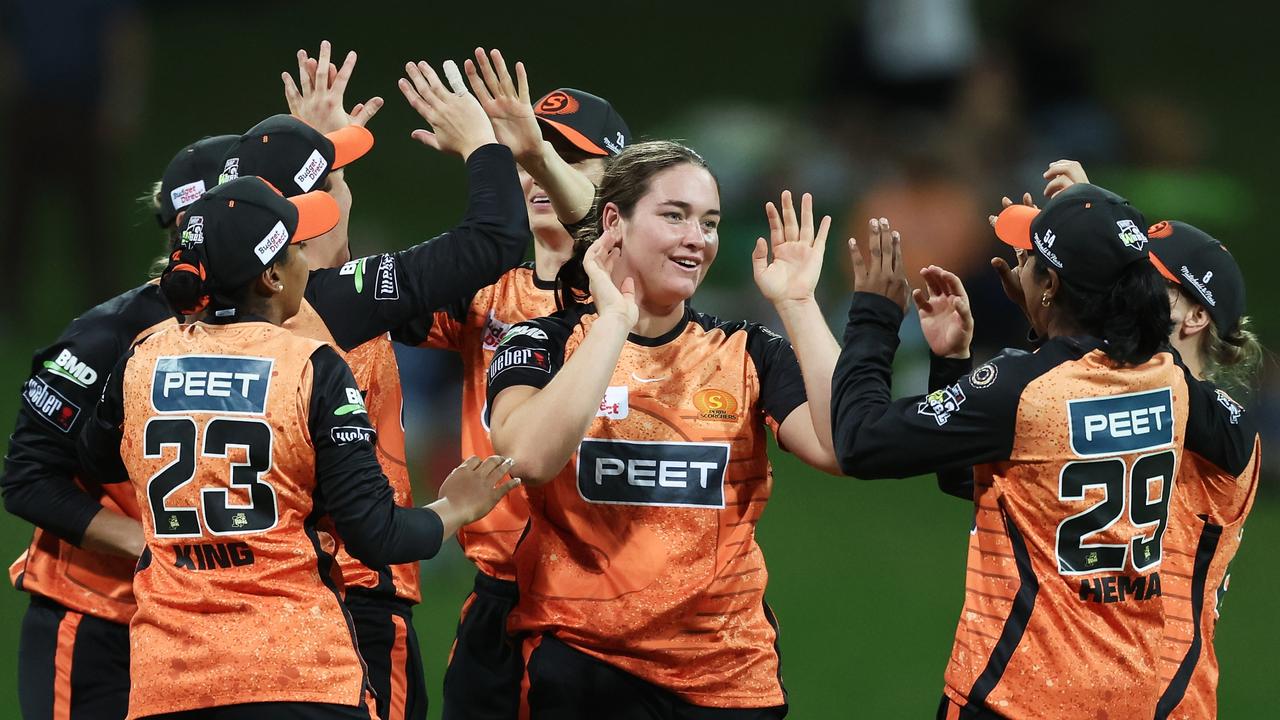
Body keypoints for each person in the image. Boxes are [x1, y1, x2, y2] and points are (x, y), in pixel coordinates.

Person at [76, 175, 521, 720]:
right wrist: (459, 505)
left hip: (168, 679)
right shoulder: (311, 366)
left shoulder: (143, 355)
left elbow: (96, 458)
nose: (309, 265)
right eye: (297, 251)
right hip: (300, 675)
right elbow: (376, 534)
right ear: (271, 276)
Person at [828, 183, 1255, 719]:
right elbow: (994, 476)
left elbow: (861, 441)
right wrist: (1028, 333)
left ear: (1052, 283)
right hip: (1135, 695)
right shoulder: (1172, 387)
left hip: (1015, 697)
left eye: (1029, 259)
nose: (1017, 264)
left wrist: (872, 314)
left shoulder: (1025, 386)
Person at [485, 139, 842, 718]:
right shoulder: (540, 342)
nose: (695, 238)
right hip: (585, 671)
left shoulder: (747, 351)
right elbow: (529, 456)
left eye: (709, 222)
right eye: (673, 215)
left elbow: (838, 446)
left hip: (728, 677)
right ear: (613, 222)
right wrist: (614, 323)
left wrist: (799, 303)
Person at [231, 46, 530, 720]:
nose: (348, 186)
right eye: (334, 178)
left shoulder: (186, 317)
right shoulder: (331, 303)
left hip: (239, 602)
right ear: (310, 215)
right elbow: (493, 239)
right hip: (352, 592)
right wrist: (483, 144)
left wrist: (309, 144)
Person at [391, 47, 632, 719]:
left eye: (562, 156)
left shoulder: (641, 297)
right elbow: (355, 296)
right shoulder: (484, 289)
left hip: (613, 607)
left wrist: (515, 151)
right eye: (524, 155)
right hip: (498, 598)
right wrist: (321, 162)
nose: (534, 169)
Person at [1, 131, 235, 720]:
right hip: (97, 623)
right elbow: (28, 478)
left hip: (208, 631)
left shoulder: (276, 337)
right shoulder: (105, 336)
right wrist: (150, 548)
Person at [1040, 161, 1263, 720]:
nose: (1130, 288)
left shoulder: (1227, 428)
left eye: (1150, 281)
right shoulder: (1103, 392)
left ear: (1193, 318)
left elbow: (1175, 391)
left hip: (1170, 699)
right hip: (1073, 684)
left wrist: (1099, 218)